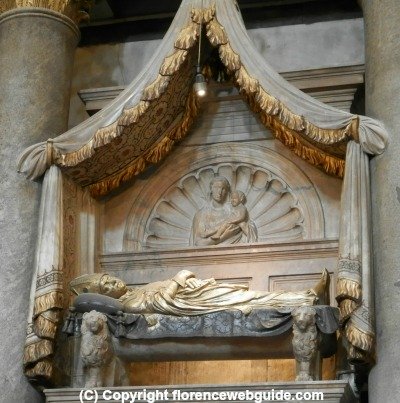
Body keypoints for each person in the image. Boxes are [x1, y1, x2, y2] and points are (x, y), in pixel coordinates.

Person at [70, 269, 330, 316]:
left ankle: (306, 297)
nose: (114, 284)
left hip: (197, 294)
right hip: (195, 304)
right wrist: (179, 278)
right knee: (251, 299)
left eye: (110, 279)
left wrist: (187, 281)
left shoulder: (136, 290)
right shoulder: (129, 304)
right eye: (108, 288)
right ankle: (307, 297)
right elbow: (161, 304)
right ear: (108, 298)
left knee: (252, 294)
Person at [191, 176, 257, 246]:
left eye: (223, 189)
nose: (219, 192)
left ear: (227, 192)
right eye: (216, 188)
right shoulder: (201, 215)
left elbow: (249, 232)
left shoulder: (234, 210)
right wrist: (225, 236)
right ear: (211, 189)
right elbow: (198, 243)